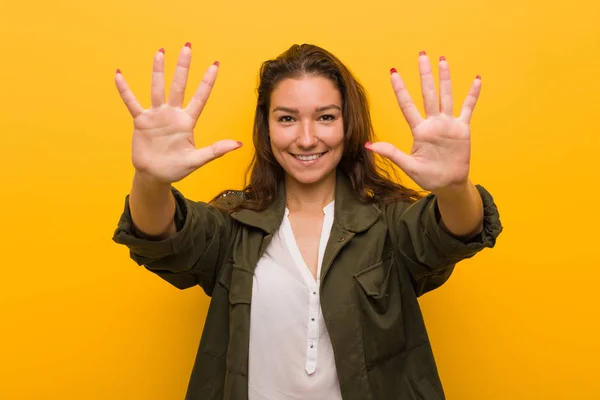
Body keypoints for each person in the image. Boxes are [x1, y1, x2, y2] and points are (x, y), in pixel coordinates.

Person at [112, 43, 502, 400]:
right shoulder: (234, 226)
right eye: (287, 119)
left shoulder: (387, 223)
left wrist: (453, 187)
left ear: (347, 124)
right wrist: (150, 179)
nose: (306, 138)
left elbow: (453, 230)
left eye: (326, 117)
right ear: (266, 127)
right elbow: (161, 234)